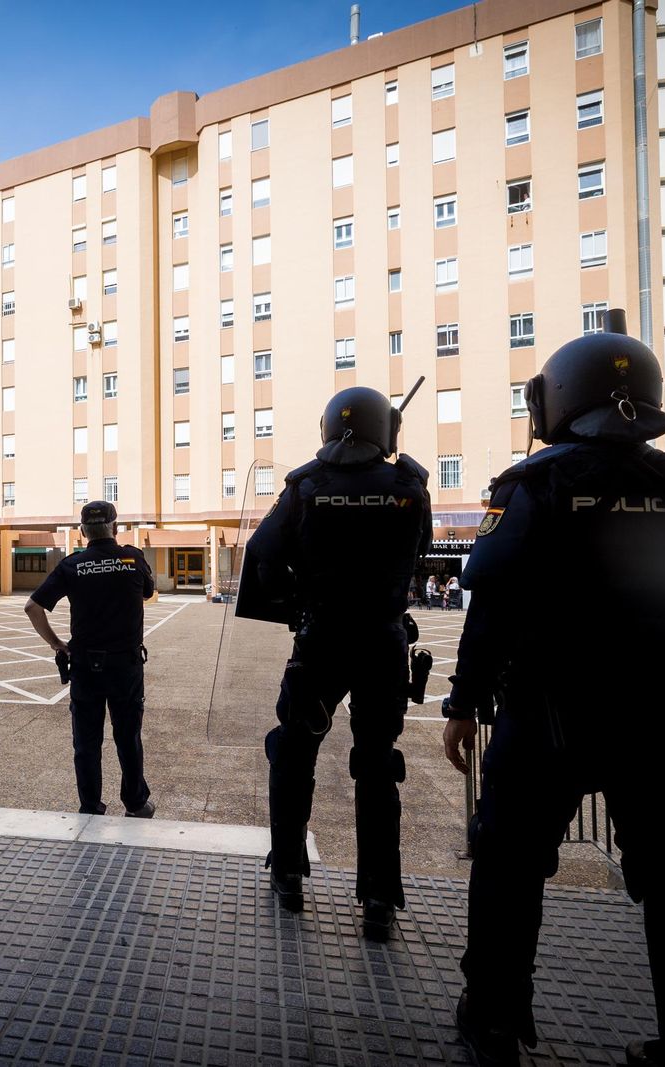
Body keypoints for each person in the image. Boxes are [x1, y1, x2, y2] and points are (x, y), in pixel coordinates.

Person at [441, 312, 665, 1067]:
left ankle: (493, 1022)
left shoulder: (535, 483)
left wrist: (463, 703)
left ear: (557, 400)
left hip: (547, 719)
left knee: (509, 868)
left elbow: (492, 606)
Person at [237, 386, 432, 940]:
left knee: (294, 753)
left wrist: (297, 608)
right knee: (377, 765)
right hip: (383, 643)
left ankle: (291, 875)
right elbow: (420, 549)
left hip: (321, 642)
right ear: (385, 430)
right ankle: (377, 900)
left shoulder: (305, 487)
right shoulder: (410, 487)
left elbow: (262, 556)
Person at [23, 500, 157, 818]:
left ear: (82, 531)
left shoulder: (72, 565)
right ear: (115, 526)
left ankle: (91, 806)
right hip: (126, 667)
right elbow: (148, 593)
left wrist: (57, 644)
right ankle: (136, 803)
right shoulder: (132, 557)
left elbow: (32, 607)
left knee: (86, 742)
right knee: (128, 737)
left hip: (86, 667)